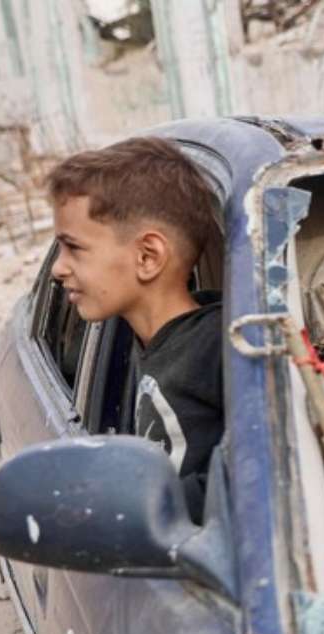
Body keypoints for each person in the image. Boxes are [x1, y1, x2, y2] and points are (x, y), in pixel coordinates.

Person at [47, 137, 222, 523]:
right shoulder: (151, 341)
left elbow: (276, 476)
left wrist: (143, 511)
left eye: (73, 248)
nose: (57, 269)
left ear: (147, 257)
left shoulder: (221, 346)